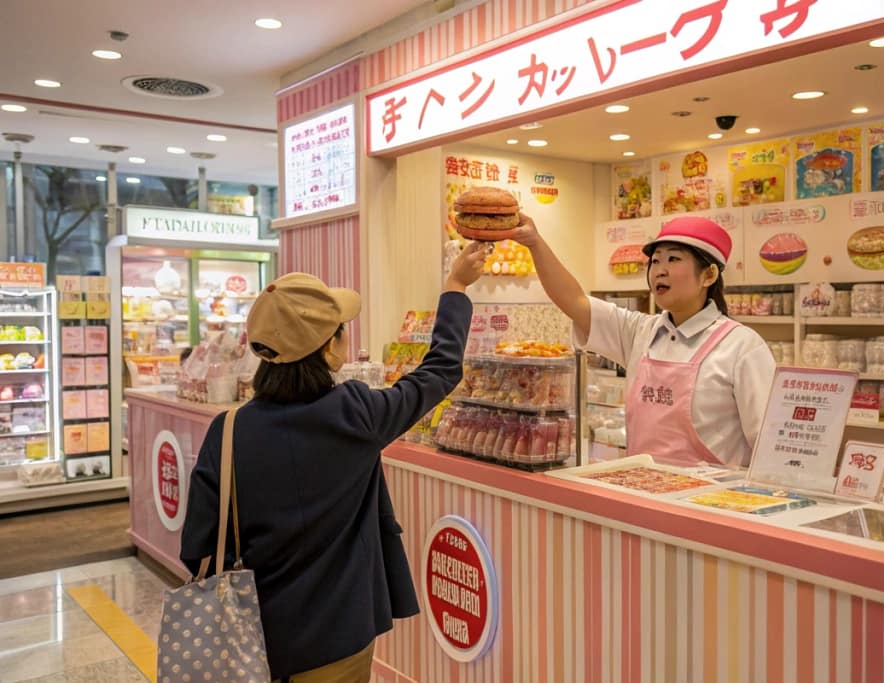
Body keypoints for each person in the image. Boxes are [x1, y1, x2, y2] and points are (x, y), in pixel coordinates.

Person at [180, 241, 488, 682]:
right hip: (339, 637)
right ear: (328, 350)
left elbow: (197, 549)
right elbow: (439, 371)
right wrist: (456, 285)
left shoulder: (228, 431)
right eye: (341, 329)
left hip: (250, 638)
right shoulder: (356, 414)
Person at [511, 214, 774, 468]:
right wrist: (535, 243)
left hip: (710, 505)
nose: (660, 271)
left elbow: (768, 442)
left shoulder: (742, 346)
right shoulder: (640, 331)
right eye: (656, 261)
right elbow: (574, 301)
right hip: (641, 496)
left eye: (673, 259)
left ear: (709, 275)